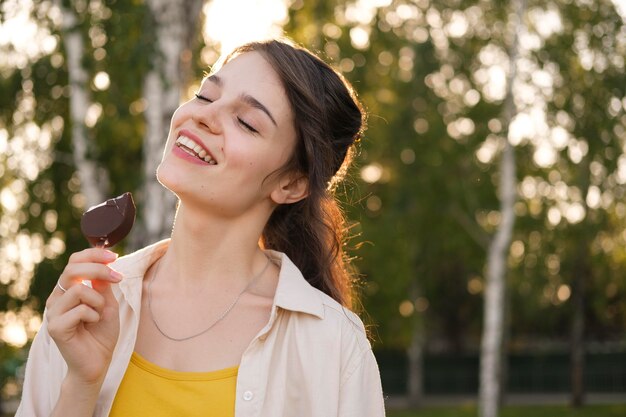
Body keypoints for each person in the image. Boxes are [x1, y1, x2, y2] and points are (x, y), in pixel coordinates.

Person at [16, 38, 385, 417]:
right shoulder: (85, 305)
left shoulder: (334, 345)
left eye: (246, 122)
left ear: (290, 184)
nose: (202, 116)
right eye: (206, 96)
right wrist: (82, 384)